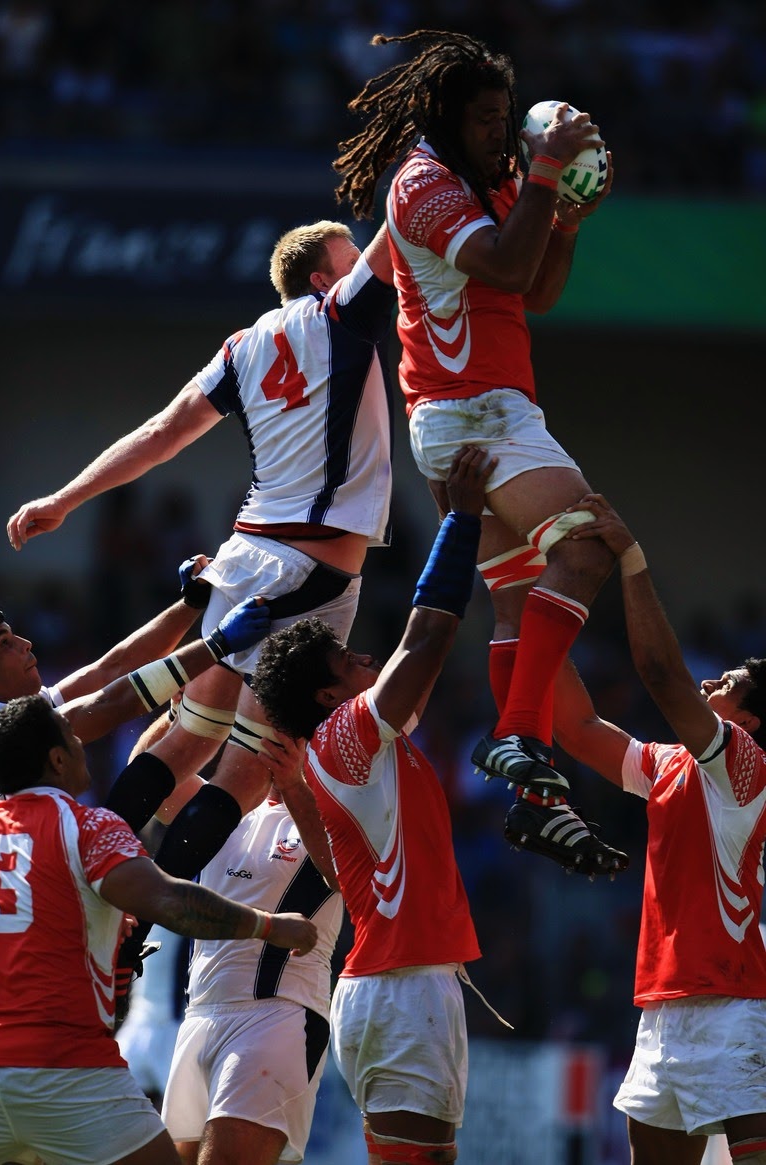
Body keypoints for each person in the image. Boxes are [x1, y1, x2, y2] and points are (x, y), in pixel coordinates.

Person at [5, 218, 396, 895]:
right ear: (322, 280)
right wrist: (439, 161)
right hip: (311, 573)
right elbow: (405, 218)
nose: (362, 262)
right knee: (245, 774)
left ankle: (87, 877)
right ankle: (142, 916)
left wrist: (66, 498)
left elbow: (163, 433)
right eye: (350, 257)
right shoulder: (341, 312)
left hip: (241, 559)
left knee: (184, 743)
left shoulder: (241, 346)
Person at [332, 29, 624, 877]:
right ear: (448, 118)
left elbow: (539, 288)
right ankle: (518, 734)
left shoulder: (492, 177)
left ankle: (536, 797)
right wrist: (545, 173)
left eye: (507, 116)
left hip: (479, 413)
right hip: (476, 410)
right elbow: (501, 267)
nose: (502, 132)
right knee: (589, 545)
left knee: (517, 602)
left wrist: (565, 220)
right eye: (488, 118)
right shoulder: (422, 184)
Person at [252, 447, 500, 1165]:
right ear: (328, 696)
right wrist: (460, 521)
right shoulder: (347, 734)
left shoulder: (358, 750)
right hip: (402, 987)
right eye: (350, 661)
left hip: (396, 983)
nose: (367, 660)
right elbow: (428, 637)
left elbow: (343, 877)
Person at [0, 695, 316, 1165]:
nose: (81, 744)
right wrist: (270, 926)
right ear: (56, 760)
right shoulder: (89, 825)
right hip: (63, 1065)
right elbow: (171, 902)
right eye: (71, 737)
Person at [551, 493, 766, 1165]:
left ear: (750, 722)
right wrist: (531, 610)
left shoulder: (746, 767)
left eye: (728, 682)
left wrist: (631, 558)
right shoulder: (673, 765)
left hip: (734, 1010)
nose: (709, 681)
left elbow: (662, 674)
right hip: (662, 1011)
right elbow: (577, 728)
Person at [160, 731, 343, 1165]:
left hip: (277, 1014)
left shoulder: (333, 813)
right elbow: (153, 778)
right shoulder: (225, 810)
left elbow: (344, 874)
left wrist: (294, 783)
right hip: (200, 1014)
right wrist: (184, 712)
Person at [0, 557, 210, 826]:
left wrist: (192, 603)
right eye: (4, 643)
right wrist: (218, 646)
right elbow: (112, 703)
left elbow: (112, 668)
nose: (25, 643)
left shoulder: (13, 709)